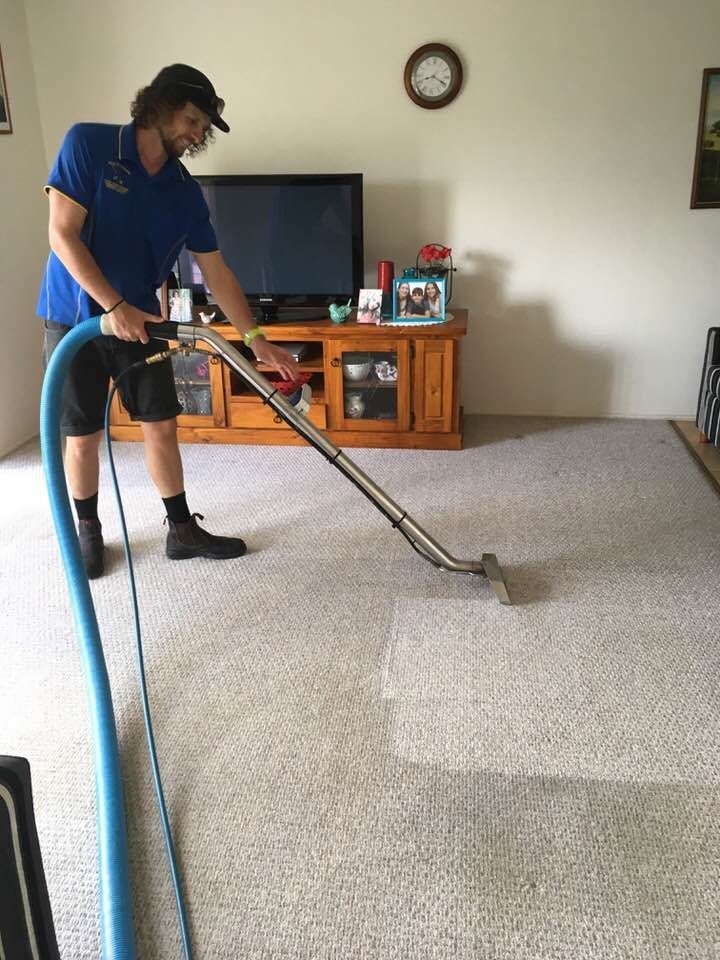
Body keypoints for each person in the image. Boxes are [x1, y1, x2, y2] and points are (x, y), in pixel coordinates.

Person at [38, 63, 299, 579]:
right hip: (75, 321)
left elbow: (217, 272)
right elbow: (61, 234)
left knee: (161, 425)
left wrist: (255, 338)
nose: (198, 133)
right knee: (83, 434)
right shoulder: (89, 146)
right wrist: (112, 306)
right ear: (158, 105)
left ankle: (180, 529)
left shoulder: (182, 191)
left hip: (141, 322)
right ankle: (88, 529)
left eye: (204, 126)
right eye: (193, 118)